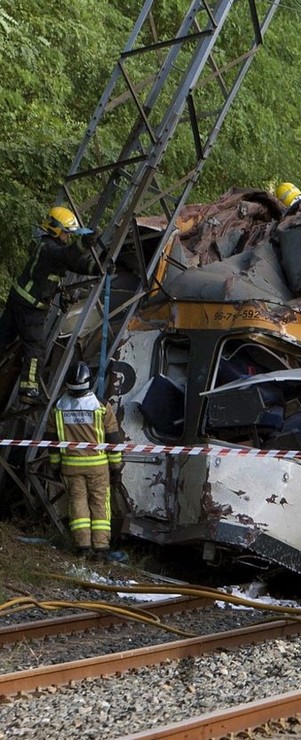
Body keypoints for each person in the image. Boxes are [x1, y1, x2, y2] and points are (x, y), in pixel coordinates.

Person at [0, 206, 100, 403]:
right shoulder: (49, 248)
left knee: (3, 337)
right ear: (56, 229)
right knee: (36, 347)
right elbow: (67, 256)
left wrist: (95, 267)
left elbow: (74, 262)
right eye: (66, 233)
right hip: (31, 308)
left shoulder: (48, 246)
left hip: (19, 301)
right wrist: (82, 244)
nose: (67, 237)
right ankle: (29, 390)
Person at [47, 361, 127, 562]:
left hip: (71, 465)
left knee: (78, 504)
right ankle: (100, 548)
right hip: (98, 466)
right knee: (100, 503)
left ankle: (83, 546)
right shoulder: (101, 406)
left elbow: (52, 442)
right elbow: (113, 439)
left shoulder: (58, 407)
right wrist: (116, 467)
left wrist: (56, 465)